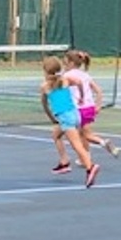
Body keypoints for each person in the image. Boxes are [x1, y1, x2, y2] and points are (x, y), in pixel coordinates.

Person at [39, 55, 100, 187]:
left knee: (77, 145)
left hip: (66, 118)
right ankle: (64, 161)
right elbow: (79, 83)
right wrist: (82, 98)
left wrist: (51, 117)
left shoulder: (45, 86)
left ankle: (90, 167)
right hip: (75, 114)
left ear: (45, 71)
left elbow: (45, 105)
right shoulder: (65, 79)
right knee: (56, 135)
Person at [63, 49, 119, 159]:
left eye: (65, 63)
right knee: (84, 133)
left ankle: (103, 142)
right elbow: (98, 91)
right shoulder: (85, 75)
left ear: (71, 63)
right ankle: (85, 157)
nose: (64, 66)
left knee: (83, 135)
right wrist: (97, 106)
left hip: (78, 109)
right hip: (89, 108)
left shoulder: (67, 76)